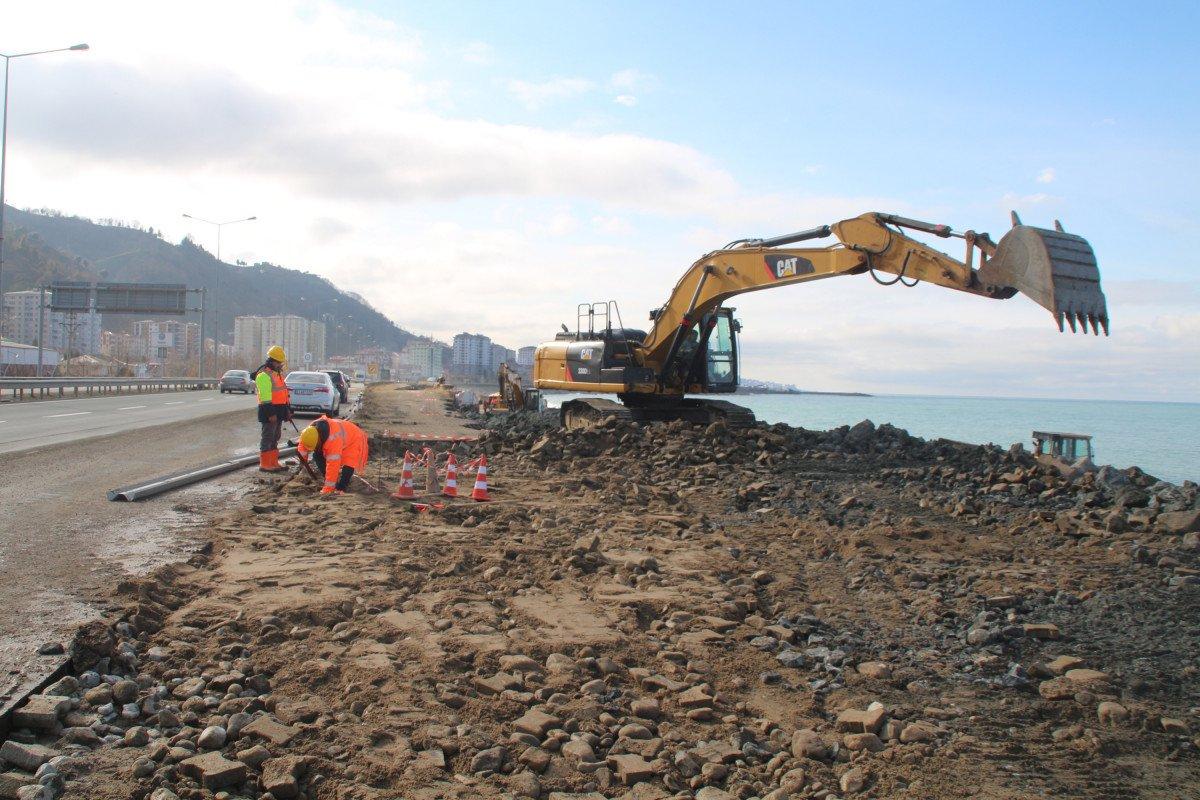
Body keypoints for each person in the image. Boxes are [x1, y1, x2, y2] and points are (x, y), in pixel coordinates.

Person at [297, 416, 369, 494]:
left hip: (354, 438)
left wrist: (328, 489)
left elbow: (333, 466)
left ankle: (341, 487)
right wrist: (303, 464)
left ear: (319, 440)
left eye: (316, 445)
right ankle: (328, 479)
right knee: (317, 455)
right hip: (341, 435)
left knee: (348, 463)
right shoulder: (309, 432)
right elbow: (302, 447)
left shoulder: (333, 439)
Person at [253, 345, 291, 472]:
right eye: (280, 363)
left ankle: (273, 462)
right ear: (274, 362)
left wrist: (287, 411)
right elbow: (265, 398)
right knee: (268, 437)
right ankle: (265, 464)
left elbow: (283, 395)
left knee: (276, 437)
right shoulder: (264, 376)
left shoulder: (277, 374)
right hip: (269, 412)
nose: (281, 365)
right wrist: (271, 414)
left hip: (278, 411)